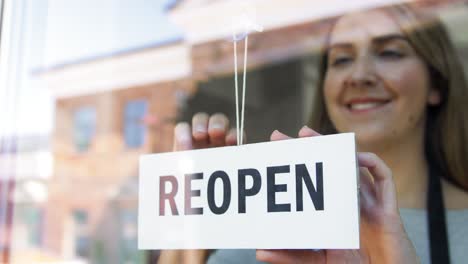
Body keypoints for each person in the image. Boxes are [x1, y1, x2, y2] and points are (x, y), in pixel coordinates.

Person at [159, 3, 468, 264]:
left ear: (436, 84)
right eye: (342, 59)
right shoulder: (277, 213)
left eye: (389, 53)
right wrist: (194, 217)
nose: (358, 76)